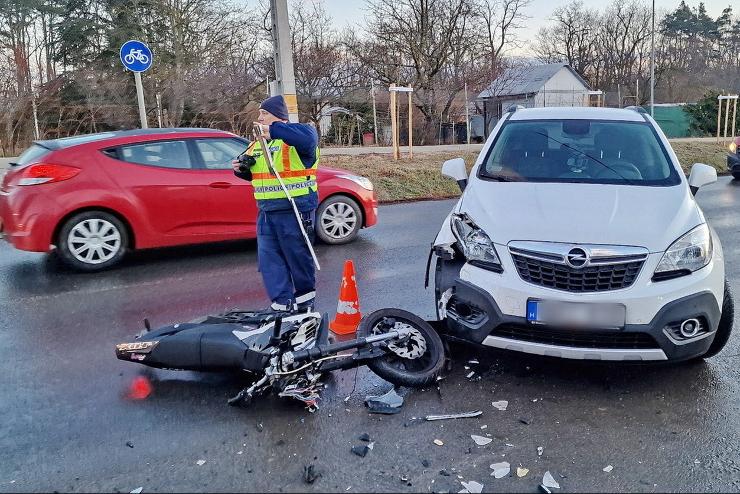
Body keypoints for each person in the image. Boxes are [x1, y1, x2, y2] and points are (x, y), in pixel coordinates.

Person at [232, 95, 319, 312]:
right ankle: (282, 305)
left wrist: (275, 129)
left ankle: (305, 302)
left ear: (279, 117)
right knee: (270, 261)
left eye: (264, 114)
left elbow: (308, 140)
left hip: (294, 209)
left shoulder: (301, 134)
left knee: (298, 257)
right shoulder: (258, 145)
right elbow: (258, 175)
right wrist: (241, 170)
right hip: (267, 212)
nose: (259, 118)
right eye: (260, 113)